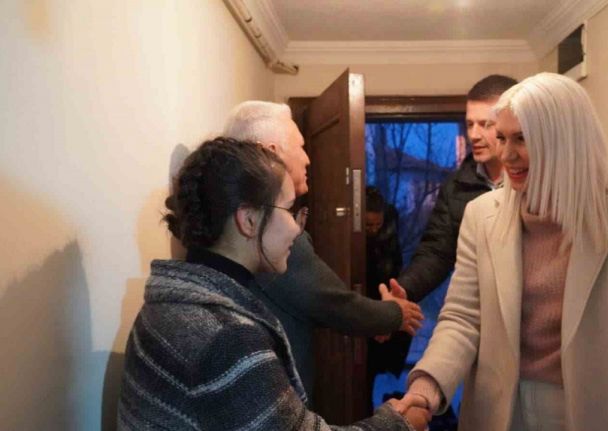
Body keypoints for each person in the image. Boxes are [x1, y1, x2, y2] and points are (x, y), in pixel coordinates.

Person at [393, 73, 608, 430]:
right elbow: (462, 318)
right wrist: (425, 388)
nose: (507, 154)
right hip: (499, 412)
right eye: (502, 137)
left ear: (565, 139)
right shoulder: (480, 215)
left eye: (522, 138)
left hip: (591, 413)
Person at [117, 138, 428, 430]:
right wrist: (398, 423)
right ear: (248, 220)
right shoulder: (228, 338)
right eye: (289, 210)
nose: (296, 228)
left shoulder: (171, 304)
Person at [222, 101, 423, 398]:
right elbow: (332, 303)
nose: (307, 159)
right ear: (272, 152)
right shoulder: (266, 229)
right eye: (301, 147)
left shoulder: (234, 215)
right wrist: (394, 314)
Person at [393, 75, 518, 302]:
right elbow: (437, 253)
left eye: (486, 124)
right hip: (480, 307)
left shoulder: (534, 181)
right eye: (470, 124)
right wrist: (405, 290)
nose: (474, 135)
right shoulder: (455, 187)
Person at [364, 186, 408, 404]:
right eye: (368, 225)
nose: (373, 230)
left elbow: (395, 267)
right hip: (365, 298)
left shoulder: (390, 233)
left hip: (385, 293)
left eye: (377, 225)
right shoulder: (354, 239)